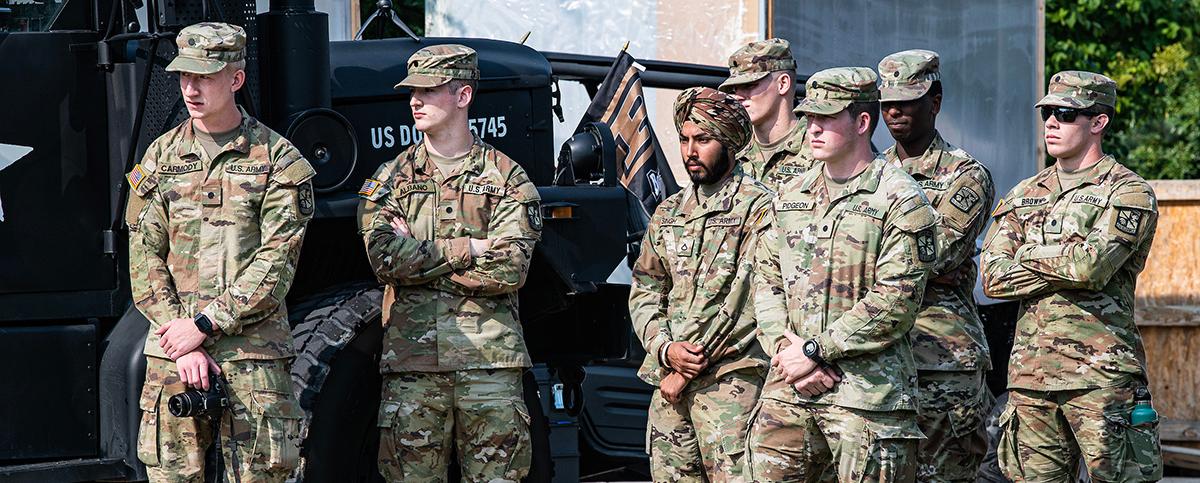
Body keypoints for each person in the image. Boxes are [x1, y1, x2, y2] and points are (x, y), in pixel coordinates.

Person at [127, 21, 314, 482]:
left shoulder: (280, 161)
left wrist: (204, 326)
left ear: (235, 79)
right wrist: (180, 337)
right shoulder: (160, 156)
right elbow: (144, 254)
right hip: (174, 357)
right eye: (184, 76)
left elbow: (276, 264)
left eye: (205, 77)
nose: (191, 89)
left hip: (252, 359)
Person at [358, 44, 542, 482]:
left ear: (463, 96)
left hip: (489, 367)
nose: (414, 101)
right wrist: (471, 248)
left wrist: (419, 256)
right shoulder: (390, 180)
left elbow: (510, 268)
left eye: (429, 90)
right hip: (413, 367)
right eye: (411, 91)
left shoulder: (508, 179)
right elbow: (384, 259)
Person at [747, 66, 937, 482]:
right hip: (789, 390)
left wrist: (816, 351)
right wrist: (787, 350)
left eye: (826, 118)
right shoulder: (788, 195)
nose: (812, 128)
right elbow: (766, 279)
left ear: (862, 122)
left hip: (866, 399)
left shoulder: (901, 199)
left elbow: (896, 299)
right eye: (809, 117)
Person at [982, 71, 1162, 482]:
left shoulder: (1128, 192)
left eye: (1065, 113)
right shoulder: (1025, 192)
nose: (1051, 123)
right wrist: (1068, 260)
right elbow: (992, 276)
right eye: (1047, 113)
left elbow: (1092, 266)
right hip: (1031, 379)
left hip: (1102, 379)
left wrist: (1026, 254)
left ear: (1098, 122)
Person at [629, 87, 770, 481]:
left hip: (731, 382)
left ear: (729, 142)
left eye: (703, 140)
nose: (690, 151)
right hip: (668, 383)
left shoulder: (759, 208)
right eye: (685, 139)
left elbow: (748, 302)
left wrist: (685, 368)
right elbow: (645, 289)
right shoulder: (670, 211)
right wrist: (664, 348)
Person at [878, 49, 995, 482]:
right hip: (882, 357)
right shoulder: (869, 173)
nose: (894, 110)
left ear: (936, 100)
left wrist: (876, 255)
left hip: (944, 360)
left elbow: (940, 253)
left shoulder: (966, 175)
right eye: (887, 100)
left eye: (907, 99)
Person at [719, 38, 815, 191]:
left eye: (749, 85)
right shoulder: (731, 152)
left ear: (782, 84)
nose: (738, 96)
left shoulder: (819, 148)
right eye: (734, 89)